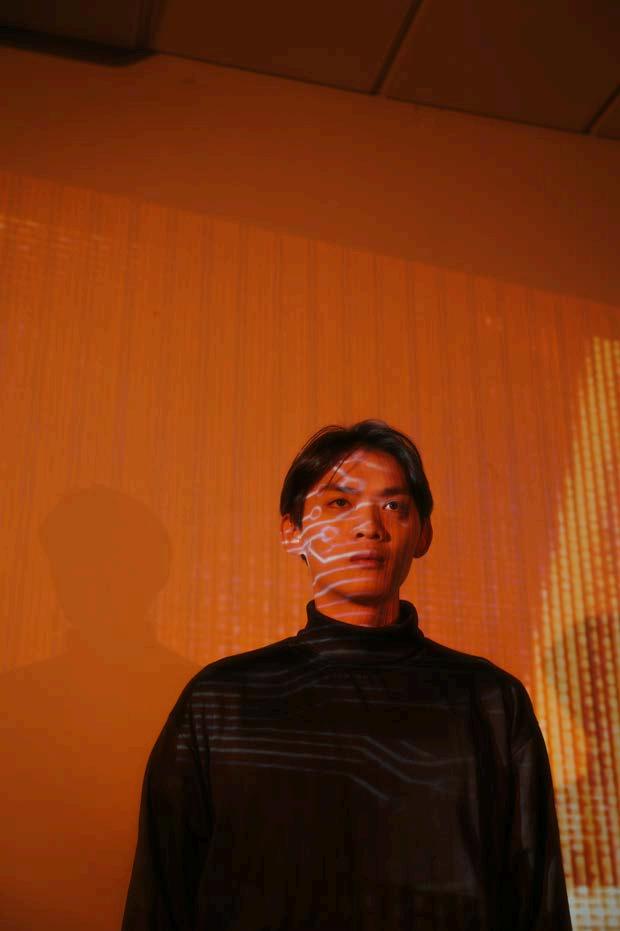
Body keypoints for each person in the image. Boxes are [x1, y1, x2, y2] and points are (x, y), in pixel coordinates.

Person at [122, 419, 572, 930]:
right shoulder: (220, 699)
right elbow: (160, 898)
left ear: (423, 534)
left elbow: (537, 899)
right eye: (339, 503)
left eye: (394, 506)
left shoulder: (489, 700)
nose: (369, 527)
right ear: (292, 532)